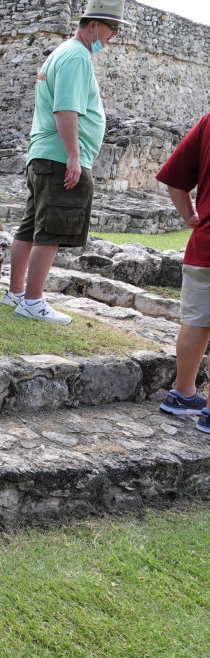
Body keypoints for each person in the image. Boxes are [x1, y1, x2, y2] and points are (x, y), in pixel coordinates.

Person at [0, 0, 130, 324]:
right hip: (59, 156)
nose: (113, 35)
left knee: (31, 227)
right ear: (92, 25)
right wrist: (74, 154)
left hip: (44, 154)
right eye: (112, 28)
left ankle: (16, 292)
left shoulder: (61, 53)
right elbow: (65, 108)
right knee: (52, 230)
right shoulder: (76, 57)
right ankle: (32, 301)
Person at [157, 112, 210, 428]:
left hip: (203, 245)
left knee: (196, 321)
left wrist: (192, 215)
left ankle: (182, 393)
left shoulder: (207, 122)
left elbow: (175, 181)